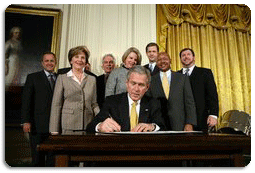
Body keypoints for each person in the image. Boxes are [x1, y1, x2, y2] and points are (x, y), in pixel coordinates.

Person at [86, 65, 166, 132]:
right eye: (133, 83)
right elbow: (90, 126)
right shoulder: (112, 102)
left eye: (141, 85)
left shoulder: (153, 103)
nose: (136, 89)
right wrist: (100, 126)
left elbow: (163, 127)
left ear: (147, 87)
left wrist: (152, 127)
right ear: (127, 84)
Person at [49, 46, 100, 135]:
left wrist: (101, 120)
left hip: (88, 126)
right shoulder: (62, 78)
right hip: (69, 126)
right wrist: (54, 130)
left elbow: (94, 104)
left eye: (83, 58)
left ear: (86, 62)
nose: (79, 60)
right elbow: (56, 105)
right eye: (76, 57)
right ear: (71, 60)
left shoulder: (92, 79)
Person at [21, 52, 57, 166]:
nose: (49, 63)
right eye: (46, 61)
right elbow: (26, 101)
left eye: (52, 61)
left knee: (53, 159)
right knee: (37, 159)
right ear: (42, 63)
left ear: (55, 62)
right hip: (37, 125)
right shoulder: (33, 77)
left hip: (54, 126)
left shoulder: (60, 78)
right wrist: (26, 121)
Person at [146, 52, 197, 131]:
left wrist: (189, 123)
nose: (162, 61)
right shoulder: (150, 80)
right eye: (159, 60)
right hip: (159, 126)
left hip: (180, 124)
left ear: (170, 61)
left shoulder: (182, 78)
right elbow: (148, 104)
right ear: (156, 63)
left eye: (165, 59)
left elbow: (189, 102)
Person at [178, 48, 219, 131]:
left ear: (193, 57)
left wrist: (213, 115)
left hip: (201, 119)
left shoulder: (205, 73)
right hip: (180, 120)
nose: (186, 57)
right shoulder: (175, 75)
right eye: (183, 55)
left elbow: (212, 95)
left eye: (188, 54)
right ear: (180, 59)